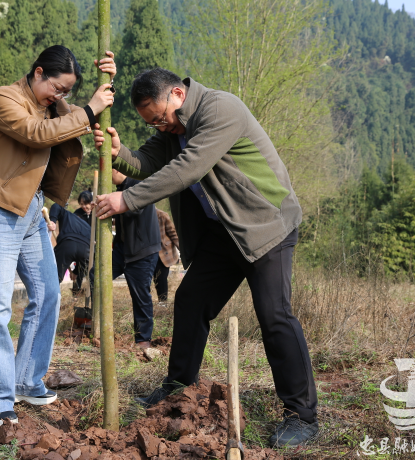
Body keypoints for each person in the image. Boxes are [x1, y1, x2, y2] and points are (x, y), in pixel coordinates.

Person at [93, 68, 318, 447]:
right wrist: (120, 155)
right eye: (152, 122)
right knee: (192, 300)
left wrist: (126, 198)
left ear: (178, 94)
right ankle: (178, 388)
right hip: (225, 234)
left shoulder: (220, 109)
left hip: (266, 226)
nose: (161, 127)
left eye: (161, 118)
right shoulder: (173, 128)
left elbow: (186, 169)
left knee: (274, 315)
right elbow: (149, 160)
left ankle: (302, 415)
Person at [0, 45, 116, 426]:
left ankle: (25, 380)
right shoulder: (5, 98)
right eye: (57, 87)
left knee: (49, 293)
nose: (60, 96)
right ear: (38, 73)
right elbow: (36, 134)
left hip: (32, 212)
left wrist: (107, 81)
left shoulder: (55, 106)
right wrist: (87, 109)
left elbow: (87, 117)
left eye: (67, 91)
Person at [107, 169, 160, 349]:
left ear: (115, 170)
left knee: (139, 295)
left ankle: (143, 339)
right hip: (122, 248)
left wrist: (112, 202)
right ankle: (96, 323)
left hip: (142, 250)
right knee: (96, 277)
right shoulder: (120, 187)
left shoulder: (138, 184)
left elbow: (133, 210)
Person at [47, 202, 91, 292]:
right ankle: (77, 294)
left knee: (55, 278)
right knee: (82, 274)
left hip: (67, 245)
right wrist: (75, 272)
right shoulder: (88, 226)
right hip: (86, 250)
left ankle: (50, 300)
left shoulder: (68, 214)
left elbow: (56, 205)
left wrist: (53, 220)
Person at [153, 209, 178, 302]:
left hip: (163, 253)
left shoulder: (162, 215)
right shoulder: (140, 215)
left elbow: (173, 234)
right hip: (148, 253)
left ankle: (162, 303)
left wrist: (184, 252)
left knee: (161, 278)